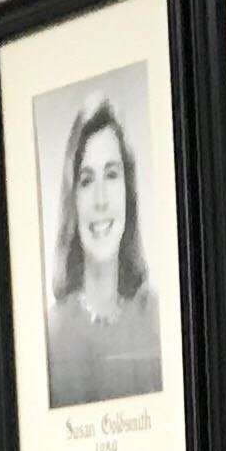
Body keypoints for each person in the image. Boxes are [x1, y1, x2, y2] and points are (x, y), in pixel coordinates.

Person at [43, 97, 164, 406]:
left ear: (129, 191)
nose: (100, 200)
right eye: (86, 181)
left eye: (111, 175)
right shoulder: (49, 337)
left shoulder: (160, 319)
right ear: (72, 199)